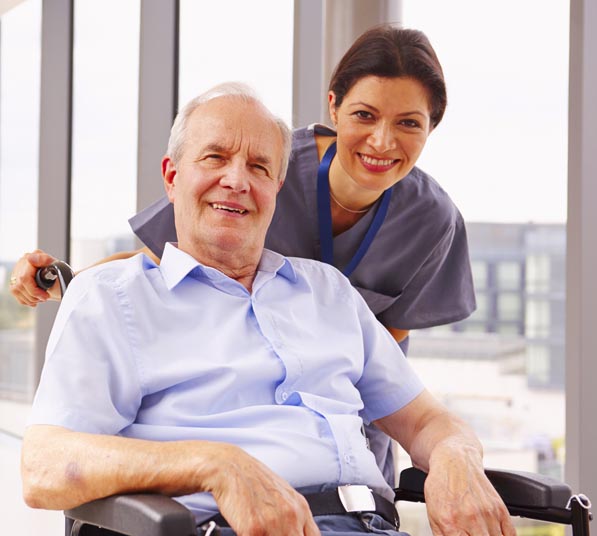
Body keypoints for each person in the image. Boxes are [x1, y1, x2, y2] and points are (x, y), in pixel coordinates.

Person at [21, 82, 513, 536]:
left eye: (259, 167)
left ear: (276, 190)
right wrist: (213, 464)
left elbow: (427, 422)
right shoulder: (113, 297)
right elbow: (43, 467)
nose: (236, 180)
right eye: (215, 158)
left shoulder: (329, 293)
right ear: (172, 177)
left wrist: (456, 459)